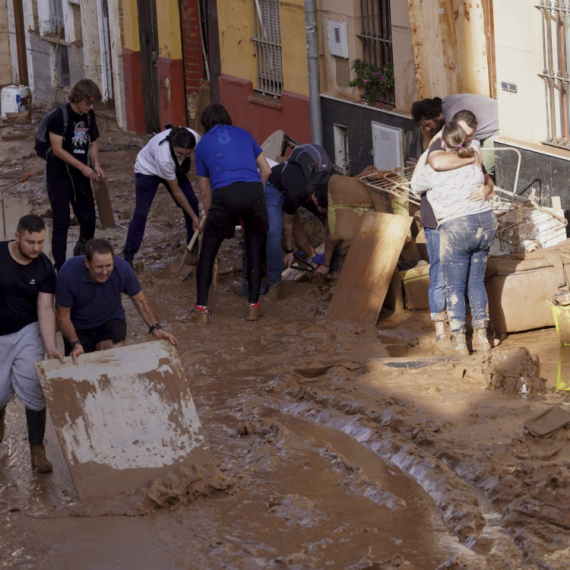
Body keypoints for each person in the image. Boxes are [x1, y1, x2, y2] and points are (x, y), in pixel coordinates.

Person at [412, 110, 494, 354]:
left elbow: (416, 183)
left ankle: (459, 342)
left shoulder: (436, 168)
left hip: (457, 227)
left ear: (443, 144)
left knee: (454, 287)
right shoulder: (474, 160)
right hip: (485, 223)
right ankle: (482, 338)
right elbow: (485, 177)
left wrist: (425, 157)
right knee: (476, 283)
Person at [193, 104, 271, 322]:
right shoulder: (244, 134)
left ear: (205, 122)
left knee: (207, 253)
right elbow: (266, 170)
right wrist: (254, 192)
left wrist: (208, 217)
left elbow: (206, 190)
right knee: (254, 251)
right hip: (254, 191)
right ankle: (253, 308)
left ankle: (201, 311)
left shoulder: (202, 145)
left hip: (224, 194)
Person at [0, 215, 64, 473]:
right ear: (17, 237)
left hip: (28, 331)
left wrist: (50, 346)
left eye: (40, 242)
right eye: (30, 242)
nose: (36, 248)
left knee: (34, 387)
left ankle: (38, 452)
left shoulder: (45, 268)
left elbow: (46, 309)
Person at [56, 239, 178, 364]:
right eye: (99, 267)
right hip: (78, 327)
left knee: (111, 360)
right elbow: (63, 316)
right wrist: (75, 343)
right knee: (83, 366)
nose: (104, 272)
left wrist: (156, 328)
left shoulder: (122, 268)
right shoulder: (68, 274)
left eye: (108, 266)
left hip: (110, 320)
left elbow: (140, 301)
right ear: (87, 263)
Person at [263, 144, 337, 300]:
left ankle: (333, 269)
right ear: (315, 200)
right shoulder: (296, 193)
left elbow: (332, 229)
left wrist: (326, 263)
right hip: (275, 187)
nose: (323, 212)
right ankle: (275, 282)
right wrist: (290, 251)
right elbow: (290, 224)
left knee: (332, 222)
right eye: (322, 209)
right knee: (274, 232)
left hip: (303, 187)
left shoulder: (329, 186)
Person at [46, 79, 104, 271]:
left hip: (81, 173)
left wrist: (95, 164)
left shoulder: (89, 116)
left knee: (88, 218)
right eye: (88, 103)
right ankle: (60, 267)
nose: (91, 107)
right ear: (78, 98)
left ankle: (82, 256)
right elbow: (57, 150)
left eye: (93, 103)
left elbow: (92, 142)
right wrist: (82, 167)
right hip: (59, 173)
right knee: (61, 222)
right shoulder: (59, 116)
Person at [123, 126, 202, 267]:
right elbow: (176, 190)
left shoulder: (195, 138)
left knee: (192, 202)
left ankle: (193, 247)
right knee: (141, 213)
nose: (183, 158)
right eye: (180, 154)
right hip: (148, 169)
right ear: (173, 145)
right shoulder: (164, 156)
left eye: (187, 155)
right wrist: (195, 217)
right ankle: (128, 257)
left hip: (172, 168)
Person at [411, 94, 499, 175]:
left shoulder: (453, 120)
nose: (428, 129)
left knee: (482, 167)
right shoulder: (446, 101)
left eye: (428, 124)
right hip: (494, 120)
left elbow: (458, 145)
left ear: (436, 116)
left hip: (499, 128)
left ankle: (487, 189)